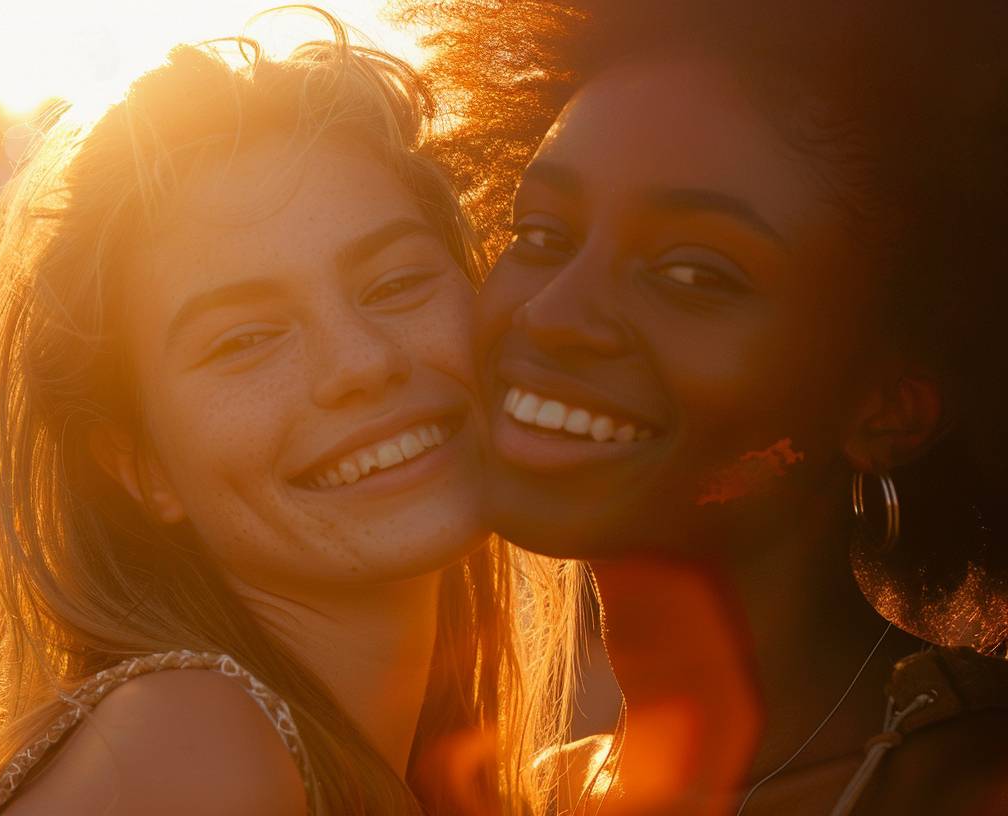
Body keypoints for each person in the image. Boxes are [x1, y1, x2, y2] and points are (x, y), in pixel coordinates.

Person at [0, 17, 581, 816]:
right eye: (246, 340)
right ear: (140, 465)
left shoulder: (353, 759)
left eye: (396, 283)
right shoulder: (191, 748)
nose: (362, 363)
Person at [403, 0, 1008, 812]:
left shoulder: (966, 786)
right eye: (542, 232)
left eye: (692, 273)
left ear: (887, 412)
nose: (549, 312)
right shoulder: (541, 790)